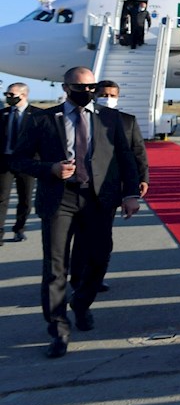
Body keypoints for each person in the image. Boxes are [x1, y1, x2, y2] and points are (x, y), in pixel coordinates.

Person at [12, 67, 140, 357]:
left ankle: (81, 303)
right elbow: (19, 160)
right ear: (66, 87)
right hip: (60, 199)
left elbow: (125, 157)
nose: (88, 92)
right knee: (56, 267)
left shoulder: (110, 118)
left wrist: (130, 193)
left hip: (98, 199)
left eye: (92, 86)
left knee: (98, 259)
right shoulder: (42, 119)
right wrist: (50, 169)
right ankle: (58, 329)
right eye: (81, 87)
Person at [71, 79, 150, 296]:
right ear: (94, 95)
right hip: (80, 188)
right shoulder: (79, 117)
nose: (108, 98)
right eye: (104, 94)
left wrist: (141, 179)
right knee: (81, 237)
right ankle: (78, 278)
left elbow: (137, 153)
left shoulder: (126, 120)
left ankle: (96, 276)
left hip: (108, 188)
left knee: (103, 238)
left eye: (112, 95)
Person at [1, 82, 39, 244]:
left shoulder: (38, 115)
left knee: (25, 198)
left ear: (24, 95)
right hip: (5, 161)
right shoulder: (2, 114)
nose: (8, 98)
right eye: (7, 95)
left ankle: (19, 229)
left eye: (12, 95)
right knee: (1, 198)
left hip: (27, 163)